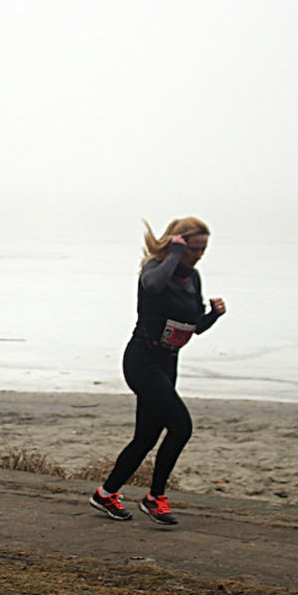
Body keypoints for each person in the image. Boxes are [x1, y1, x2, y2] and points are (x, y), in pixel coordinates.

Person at [89, 217, 226, 525]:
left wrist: (214, 316)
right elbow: (151, 285)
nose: (199, 255)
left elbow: (193, 325)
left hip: (167, 363)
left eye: (204, 249)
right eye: (194, 249)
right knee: (181, 426)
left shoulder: (193, 278)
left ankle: (105, 494)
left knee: (146, 437)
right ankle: (155, 497)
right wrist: (173, 254)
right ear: (178, 244)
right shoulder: (155, 268)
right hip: (142, 360)